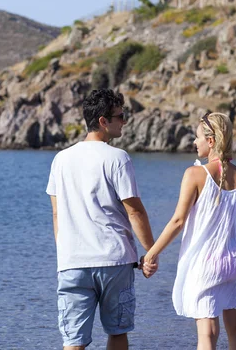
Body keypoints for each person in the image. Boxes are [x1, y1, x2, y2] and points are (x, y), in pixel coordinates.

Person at [46, 89, 157, 350]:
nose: (125, 121)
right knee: (117, 332)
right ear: (103, 121)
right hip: (114, 261)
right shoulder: (118, 158)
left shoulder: (60, 160)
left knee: (73, 341)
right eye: (121, 115)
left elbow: (56, 213)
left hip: (72, 263)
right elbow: (135, 211)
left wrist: (65, 253)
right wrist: (151, 252)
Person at [141, 112, 236, 350]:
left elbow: (178, 221)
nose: (194, 143)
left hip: (208, 263)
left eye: (197, 138)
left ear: (211, 141)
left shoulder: (195, 174)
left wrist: (151, 253)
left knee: (208, 335)